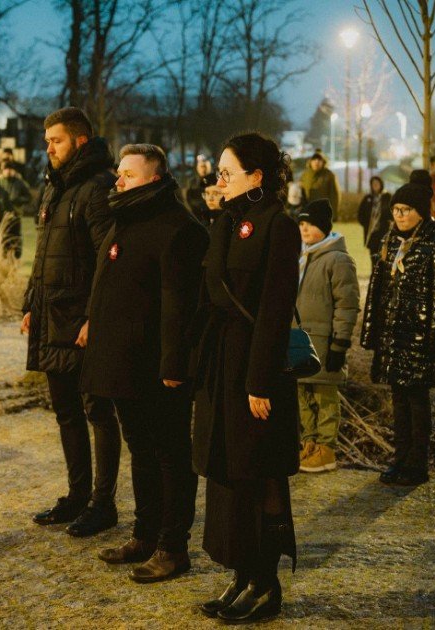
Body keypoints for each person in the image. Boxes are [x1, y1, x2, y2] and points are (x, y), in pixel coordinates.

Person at [81, 144, 208, 583]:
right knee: (141, 449)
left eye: (128, 175)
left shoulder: (178, 227)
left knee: (170, 453)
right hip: (122, 362)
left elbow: (180, 304)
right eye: (119, 173)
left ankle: (173, 548)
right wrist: (91, 324)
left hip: (156, 366)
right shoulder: (127, 217)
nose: (118, 181)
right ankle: (145, 534)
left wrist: (175, 364)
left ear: (154, 179)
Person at [191, 132, 300, 624]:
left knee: (258, 473)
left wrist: (259, 381)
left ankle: (266, 583)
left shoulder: (280, 226)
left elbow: (275, 311)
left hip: (256, 371)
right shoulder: (227, 220)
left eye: (227, 172)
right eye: (218, 172)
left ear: (256, 177)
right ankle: (241, 573)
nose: (219, 180)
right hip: (222, 365)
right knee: (228, 474)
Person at [23, 106, 120, 537]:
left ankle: (103, 504)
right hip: (51, 316)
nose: (48, 148)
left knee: (98, 410)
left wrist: (94, 318)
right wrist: (30, 304)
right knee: (66, 412)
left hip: (81, 322)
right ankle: (77, 496)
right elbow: (44, 254)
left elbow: (108, 260)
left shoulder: (99, 188)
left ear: (80, 140)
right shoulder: (55, 187)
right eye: (47, 141)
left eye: (56, 140)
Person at [361, 170, 435, 487]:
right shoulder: (391, 241)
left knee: (417, 402)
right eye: (396, 211)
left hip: (420, 339)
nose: (400, 216)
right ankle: (399, 459)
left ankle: (417, 465)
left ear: (420, 212)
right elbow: (378, 290)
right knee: (398, 401)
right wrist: (372, 333)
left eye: (406, 211)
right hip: (394, 337)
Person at [293, 199, 360, 474]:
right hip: (300, 341)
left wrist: (340, 343)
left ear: (323, 226)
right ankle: (309, 443)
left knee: (324, 398)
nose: (304, 229)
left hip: (324, 341)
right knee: (303, 396)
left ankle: (326, 448)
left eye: (310, 224)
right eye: (301, 224)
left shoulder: (338, 260)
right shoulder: (301, 257)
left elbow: (347, 304)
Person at [0, 160, 33, 258]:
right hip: (2, 217)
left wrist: (18, 200)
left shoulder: (19, 183)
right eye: (6, 169)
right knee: (4, 240)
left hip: (15, 216)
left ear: (13, 170)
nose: (8, 171)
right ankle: (4, 258)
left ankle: (16, 258)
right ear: (2, 171)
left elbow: (29, 197)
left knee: (16, 239)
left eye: (10, 169)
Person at [299, 152, 339, 217]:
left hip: (323, 212)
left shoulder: (329, 175)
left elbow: (334, 195)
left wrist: (333, 213)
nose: (316, 162)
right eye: (314, 159)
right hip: (307, 212)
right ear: (310, 162)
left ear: (323, 162)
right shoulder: (305, 175)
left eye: (319, 160)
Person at [361, 175, 393, 250]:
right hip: (371, 231)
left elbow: (392, 210)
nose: (375, 185)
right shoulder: (368, 198)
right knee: (373, 253)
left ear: (381, 184)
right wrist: (365, 223)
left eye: (377, 183)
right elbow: (361, 213)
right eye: (373, 183)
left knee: (383, 253)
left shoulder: (387, 197)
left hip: (383, 230)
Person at [185, 154, 214, 219]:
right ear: (197, 167)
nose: (203, 169)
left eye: (205, 166)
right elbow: (189, 200)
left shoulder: (216, 181)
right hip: (198, 216)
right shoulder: (192, 183)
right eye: (201, 166)